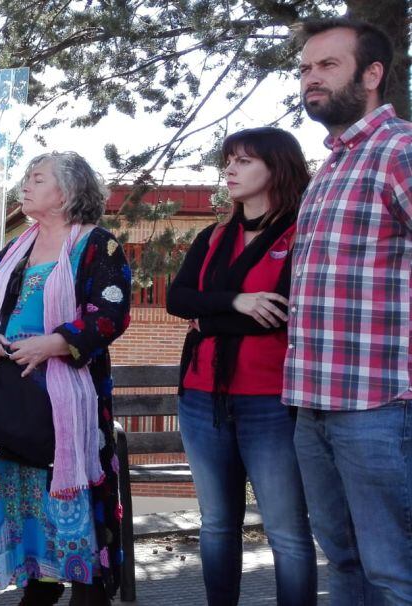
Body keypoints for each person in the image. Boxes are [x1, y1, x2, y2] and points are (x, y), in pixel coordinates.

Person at [0, 151, 130, 605]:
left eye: (38, 178)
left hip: (65, 401)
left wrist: (52, 343)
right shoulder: (15, 248)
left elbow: (111, 315)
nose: (26, 184)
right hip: (8, 396)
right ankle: (39, 582)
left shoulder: (98, 246)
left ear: (67, 193)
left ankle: (86, 588)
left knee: (70, 496)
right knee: (20, 494)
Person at [286, 18, 412, 603]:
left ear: (372, 74)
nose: (311, 79)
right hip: (313, 405)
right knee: (344, 563)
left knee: (394, 572)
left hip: (379, 407)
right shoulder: (331, 167)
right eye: (305, 68)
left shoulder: (400, 150)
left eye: (327, 66)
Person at [167, 127, 316, 605]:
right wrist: (238, 301)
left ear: (278, 167)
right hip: (200, 399)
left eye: (244, 161)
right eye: (228, 160)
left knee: (287, 531)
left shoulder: (301, 234)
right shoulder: (213, 236)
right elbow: (176, 299)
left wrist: (210, 318)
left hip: (270, 401)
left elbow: (283, 313)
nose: (229, 169)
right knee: (217, 524)